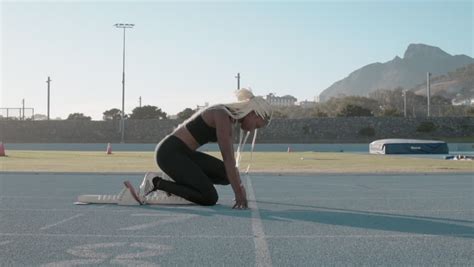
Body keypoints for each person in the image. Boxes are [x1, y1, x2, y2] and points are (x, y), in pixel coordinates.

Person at [138, 88, 272, 209]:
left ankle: (179, 182)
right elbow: (228, 159)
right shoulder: (222, 114)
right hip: (169, 154)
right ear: (253, 114)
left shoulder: (229, 118)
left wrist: (239, 185)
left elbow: (230, 166)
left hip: (184, 154)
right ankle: (156, 182)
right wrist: (238, 192)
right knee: (209, 198)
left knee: (226, 175)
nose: (253, 130)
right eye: (257, 126)